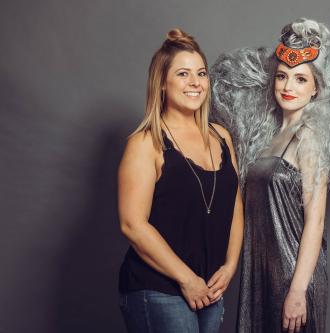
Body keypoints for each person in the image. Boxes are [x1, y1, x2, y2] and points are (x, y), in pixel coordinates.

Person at [211, 18, 330, 332]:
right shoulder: (266, 137)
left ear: (316, 88)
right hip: (260, 271)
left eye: (301, 79)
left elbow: (315, 220)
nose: (288, 87)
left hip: (291, 275)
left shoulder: (310, 136)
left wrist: (298, 290)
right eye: (282, 77)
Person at [118, 28, 243, 333]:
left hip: (211, 287)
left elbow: (235, 207)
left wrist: (230, 265)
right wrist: (186, 279)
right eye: (183, 74)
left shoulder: (222, 137)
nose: (195, 83)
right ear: (162, 83)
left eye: (201, 73)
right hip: (158, 288)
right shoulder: (147, 143)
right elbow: (132, 224)